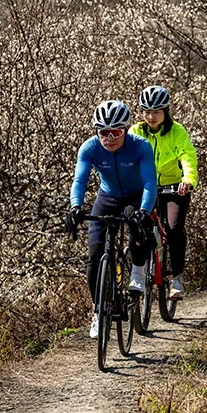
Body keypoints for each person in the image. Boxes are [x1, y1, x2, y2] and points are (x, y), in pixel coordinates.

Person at [66, 100, 157, 339]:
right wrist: (75, 207)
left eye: (115, 132)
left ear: (126, 129)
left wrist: (144, 211)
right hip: (107, 196)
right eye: (103, 132)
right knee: (95, 256)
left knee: (137, 226)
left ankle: (138, 269)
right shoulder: (89, 148)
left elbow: (150, 182)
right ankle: (99, 310)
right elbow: (79, 181)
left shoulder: (141, 146)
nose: (109, 138)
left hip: (137, 196)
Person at [129, 85, 199, 300]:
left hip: (173, 187)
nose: (151, 116)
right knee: (137, 225)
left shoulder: (177, 131)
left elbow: (187, 156)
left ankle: (176, 277)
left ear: (166, 111)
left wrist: (188, 179)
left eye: (156, 111)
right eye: (146, 111)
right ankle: (138, 273)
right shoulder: (136, 131)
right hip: (145, 188)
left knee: (174, 227)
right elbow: (127, 157)